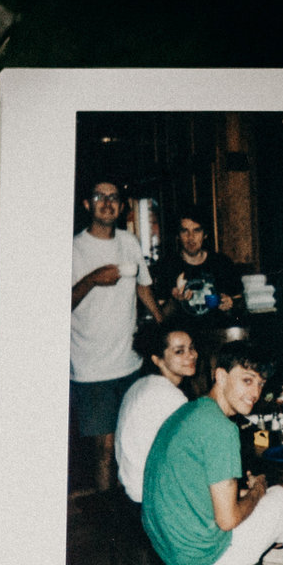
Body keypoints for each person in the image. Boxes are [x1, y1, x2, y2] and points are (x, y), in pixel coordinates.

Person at [138, 342, 283, 565]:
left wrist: (242, 494)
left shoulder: (191, 411)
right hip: (202, 558)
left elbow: (193, 488)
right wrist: (257, 491)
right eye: (247, 380)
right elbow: (227, 519)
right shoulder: (221, 428)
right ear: (221, 376)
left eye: (261, 384)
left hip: (168, 547)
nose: (256, 392)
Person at [72, 178, 162, 493]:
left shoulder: (130, 242)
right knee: (104, 450)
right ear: (87, 204)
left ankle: (132, 515)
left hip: (130, 361)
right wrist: (93, 279)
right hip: (91, 368)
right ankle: (105, 522)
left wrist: (164, 325)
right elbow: (57, 306)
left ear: (122, 206)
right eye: (99, 196)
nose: (107, 202)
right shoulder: (73, 249)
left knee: (135, 441)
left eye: (114, 197)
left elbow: (142, 285)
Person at [115, 322, 199, 503]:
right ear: (157, 359)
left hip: (132, 488)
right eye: (179, 351)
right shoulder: (167, 395)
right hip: (150, 496)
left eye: (191, 348)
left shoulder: (142, 384)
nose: (191, 355)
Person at [151, 214, 243, 318]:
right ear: (178, 235)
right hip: (182, 332)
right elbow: (159, 316)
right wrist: (175, 301)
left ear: (205, 234)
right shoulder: (167, 266)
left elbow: (241, 303)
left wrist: (231, 303)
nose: (190, 237)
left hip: (218, 331)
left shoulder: (222, 263)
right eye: (185, 231)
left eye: (197, 230)